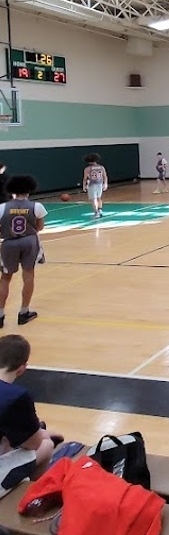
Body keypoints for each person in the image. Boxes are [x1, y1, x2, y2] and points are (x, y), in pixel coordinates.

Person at [0, 335, 59, 467]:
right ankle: (29, 486)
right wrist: (43, 434)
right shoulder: (16, 397)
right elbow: (33, 444)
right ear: (22, 369)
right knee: (47, 445)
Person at [0, 176, 44, 326]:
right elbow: (40, 227)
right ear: (30, 189)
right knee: (28, 274)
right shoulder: (36, 206)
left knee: (5, 278)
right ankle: (24, 312)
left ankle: (0, 315)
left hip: (8, 243)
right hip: (30, 242)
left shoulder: (2, 207)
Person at [81, 154, 107, 219]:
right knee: (99, 198)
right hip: (100, 184)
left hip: (92, 184)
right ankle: (100, 210)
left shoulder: (87, 169)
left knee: (93, 199)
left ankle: (96, 213)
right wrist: (105, 183)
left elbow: (85, 178)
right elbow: (105, 176)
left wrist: (84, 186)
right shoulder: (101, 167)